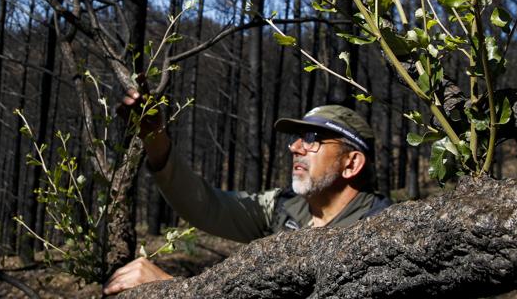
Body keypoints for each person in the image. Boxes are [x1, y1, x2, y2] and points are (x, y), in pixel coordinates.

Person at [103, 91, 391, 295]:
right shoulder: (284, 208)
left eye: (312, 139)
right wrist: (155, 140)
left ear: (351, 163)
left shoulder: (382, 232)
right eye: (296, 138)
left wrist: (177, 291)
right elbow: (207, 206)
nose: (295, 148)